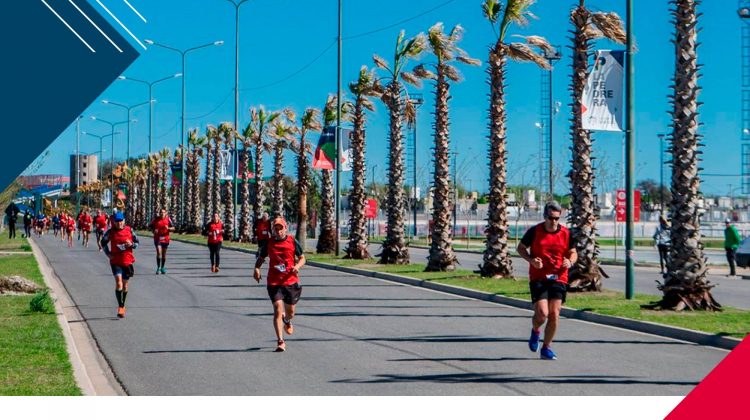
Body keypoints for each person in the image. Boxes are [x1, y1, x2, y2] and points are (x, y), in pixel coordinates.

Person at [516, 201, 577, 361]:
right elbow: (520, 248)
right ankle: (536, 331)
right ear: (545, 216)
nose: (554, 221)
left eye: (557, 218)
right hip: (539, 277)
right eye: (551, 218)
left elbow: (573, 252)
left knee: (554, 314)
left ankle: (546, 348)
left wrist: (570, 262)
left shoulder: (566, 233)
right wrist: (531, 260)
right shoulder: (535, 231)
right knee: (542, 314)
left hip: (559, 277)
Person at [253, 217, 306, 352]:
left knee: (291, 312)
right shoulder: (269, 243)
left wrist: (297, 267)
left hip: (290, 281)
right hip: (274, 281)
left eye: (280, 228)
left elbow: (302, 258)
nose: (278, 231)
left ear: (285, 228)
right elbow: (261, 257)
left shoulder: (292, 241)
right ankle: (280, 341)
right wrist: (257, 269)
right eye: (275, 229)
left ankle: (287, 320)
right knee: (277, 308)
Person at [101, 212, 139, 318]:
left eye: (121, 221)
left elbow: (137, 242)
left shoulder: (129, 230)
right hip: (116, 262)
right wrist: (108, 254)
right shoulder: (111, 232)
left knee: (125, 285)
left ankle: (123, 303)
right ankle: (120, 306)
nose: (119, 223)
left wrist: (131, 244)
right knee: (119, 283)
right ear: (114, 222)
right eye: (117, 221)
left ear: (124, 221)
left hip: (127, 261)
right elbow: (103, 242)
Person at [149, 207, 175, 275]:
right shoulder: (156, 219)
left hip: (165, 238)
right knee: (158, 252)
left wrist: (168, 228)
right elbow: (150, 226)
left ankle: (162, 267)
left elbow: (173, 228)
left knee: (164, 254)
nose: (162, 214)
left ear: (166, 213)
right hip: (157, 238)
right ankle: (158, 268)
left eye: (163, 212)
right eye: (161, 212)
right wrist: (153, 231)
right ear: (159, 213)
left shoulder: (168, 219)